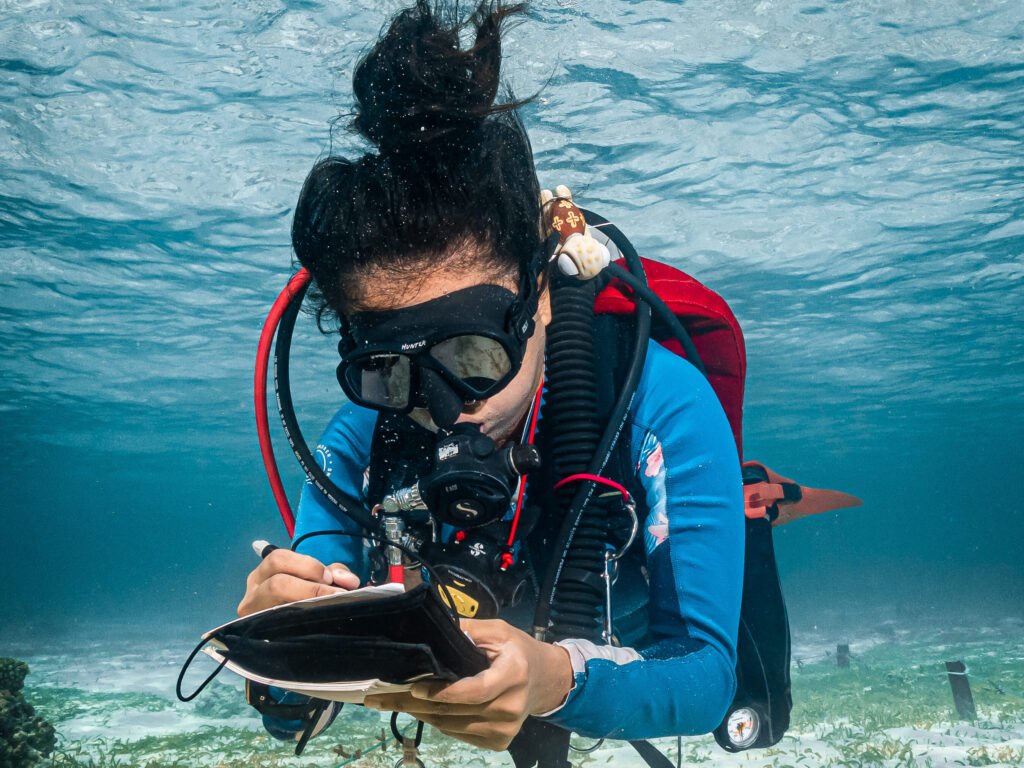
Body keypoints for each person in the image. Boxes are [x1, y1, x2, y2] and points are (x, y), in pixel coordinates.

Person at [237, 0, 743, 757]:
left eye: (472, 359)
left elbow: (706, 677)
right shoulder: (357, 445)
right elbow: (291, 717)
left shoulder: (655, 409)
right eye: (389, 372)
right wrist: (277, 647)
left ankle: (748, 502)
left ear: (538, 297)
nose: (447, 417)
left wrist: (554, 680)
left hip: (616, 627)